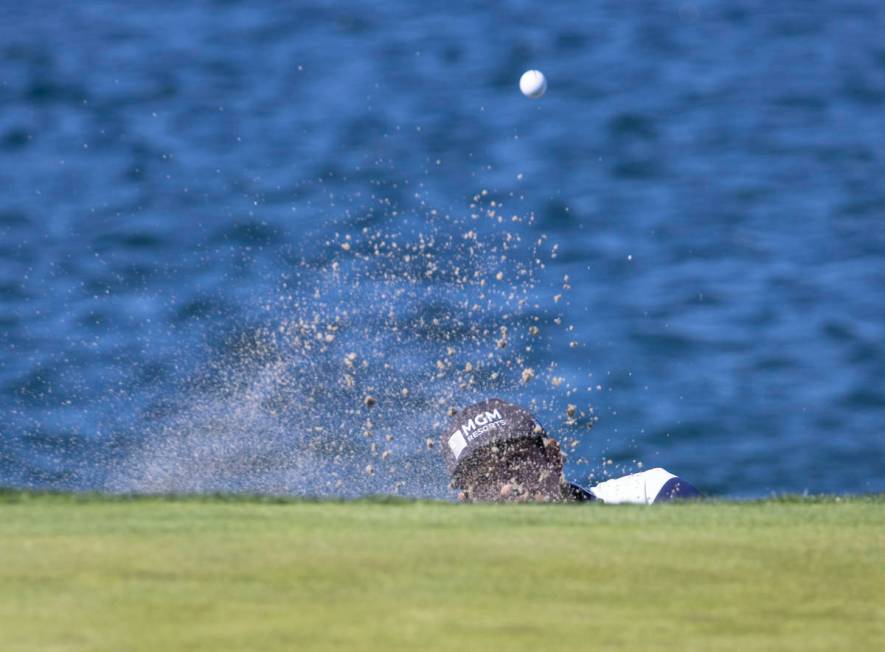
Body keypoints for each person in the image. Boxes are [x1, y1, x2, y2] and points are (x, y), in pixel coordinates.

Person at [439, 398, 700, 503]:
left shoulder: (651, 496)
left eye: (516, 461)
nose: (506, 487)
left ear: (553, 460)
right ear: (468, 500)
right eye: (485, 478)